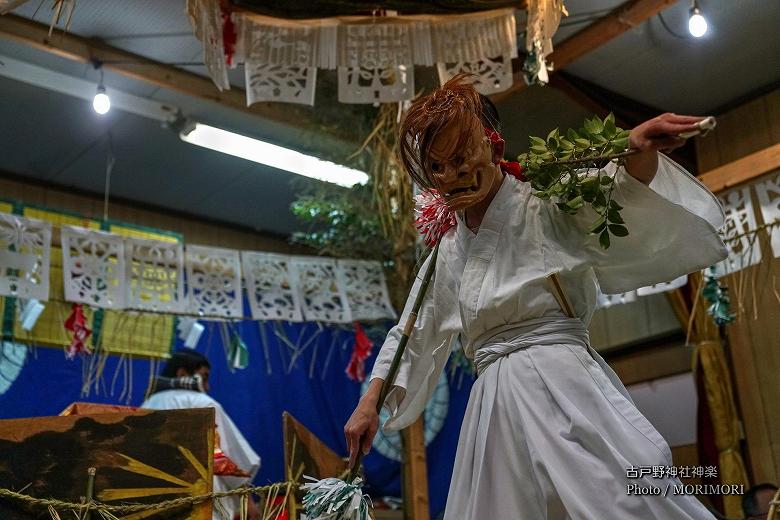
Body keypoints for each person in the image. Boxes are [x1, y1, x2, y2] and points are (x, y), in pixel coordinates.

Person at [344, 75, 728, 519]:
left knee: (618, 499)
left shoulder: (546, 201)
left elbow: (614, 192)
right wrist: (369, 402)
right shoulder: (445, 248)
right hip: (493, 397)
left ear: (494, 146)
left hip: (560, 377)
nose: (451, 174)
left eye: (460, 156)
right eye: (437, 166)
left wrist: (636, 152)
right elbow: (412, 331)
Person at [142, 350, 261, 520]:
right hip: (202, 500)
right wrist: (246, 499)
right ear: (182, 373)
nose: (207, 387)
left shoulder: (146, 405)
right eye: (204, 378)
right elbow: (228, 459)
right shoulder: (203, 403)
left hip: (153, 501)